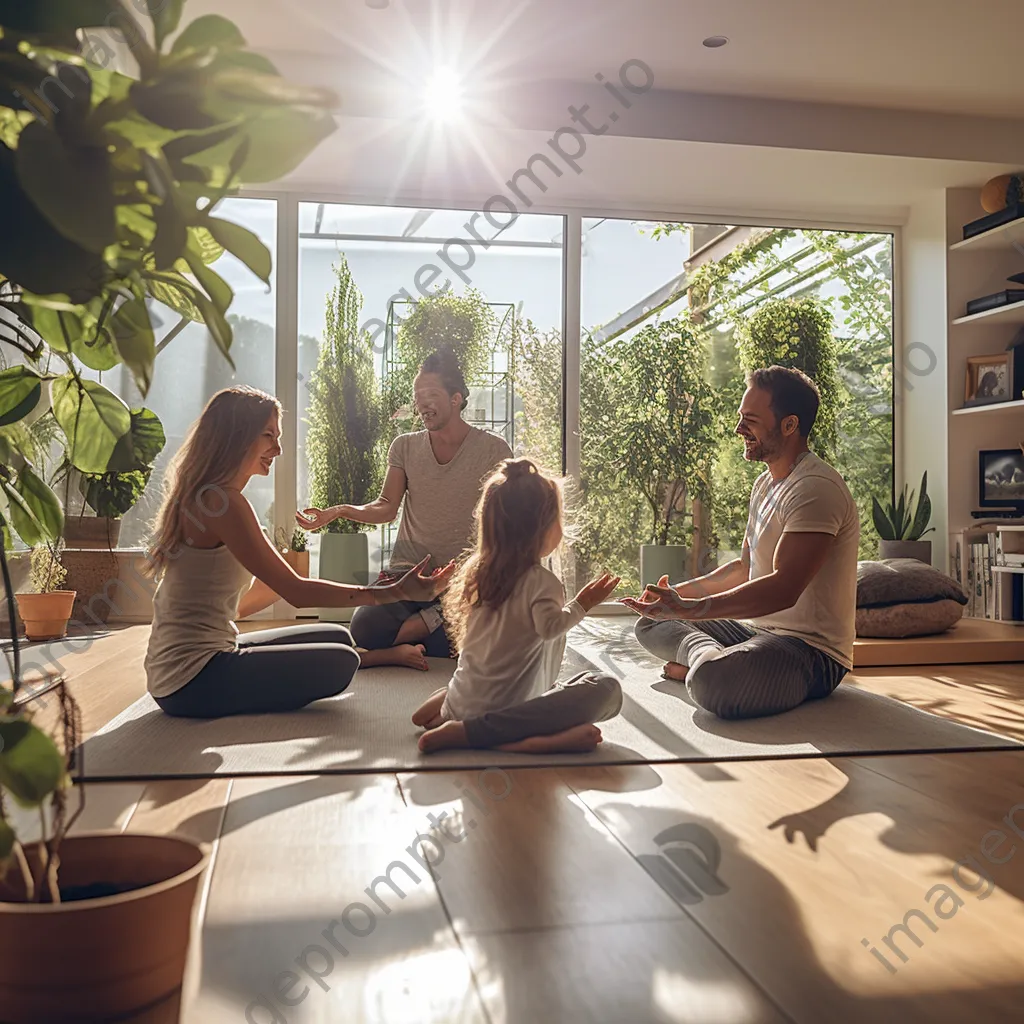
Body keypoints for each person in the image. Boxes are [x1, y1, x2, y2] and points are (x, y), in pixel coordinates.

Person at [144, 386, 454, 719]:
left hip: (192, 664)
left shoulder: (211, 497)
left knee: (336, 635)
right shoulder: (223, 503)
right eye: (268, 436)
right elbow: (296, 593)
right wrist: (395, 592)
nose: (277, 449)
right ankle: (374, 657)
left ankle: (378, 656)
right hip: (191, 680)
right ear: (235, 436)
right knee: (340, 661)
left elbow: (259, 594)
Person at [622, 366, 859, 721]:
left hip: (810, 651)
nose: (738, 429)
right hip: (756, 632)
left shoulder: (815, 489)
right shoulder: (765, 485)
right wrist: (672, 599)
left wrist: (689, 610)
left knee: (712, 684)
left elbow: (783, 589)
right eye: (740, 418)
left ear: (789, 425)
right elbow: (745, 569)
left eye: (750, 420)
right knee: (650, 623)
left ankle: (702, 666)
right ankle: (706, 655)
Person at [297, 347, 511, 659]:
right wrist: (340, 510)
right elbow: (386, 506)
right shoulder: (405, 447)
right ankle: (423, 632)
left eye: (431, 393)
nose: (421, 403)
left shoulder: (494, 450)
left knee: (494, 639)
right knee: (364, 628)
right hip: (409, 575)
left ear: (456, 398)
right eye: (417, 395)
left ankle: (427, 625)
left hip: (464, 580)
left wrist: (481, 573)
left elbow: (506, 522)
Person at [413, 459, 624, 754]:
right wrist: (582, 605)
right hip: (507, 713)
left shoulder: (478, 572)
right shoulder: (543, 582)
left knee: (502, 673)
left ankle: (449, 707)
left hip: (463, 700)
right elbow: (549, 629)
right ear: (543, 528)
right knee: (605, 688)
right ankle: (522, 740)